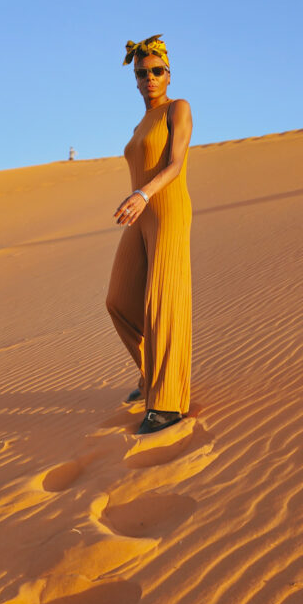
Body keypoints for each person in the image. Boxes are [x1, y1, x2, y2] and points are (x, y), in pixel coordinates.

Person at [106, 34, 193, 434]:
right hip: (141, 214)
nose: (150, 78)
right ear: (136, 80)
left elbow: (175, 164)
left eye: (157, 71)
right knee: (119, 301)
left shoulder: (178, 109)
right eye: (143, 73)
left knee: (163, 301)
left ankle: (168, 403)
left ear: (169, 75)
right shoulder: (142, 121)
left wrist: (143, 193)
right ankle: (150, 374)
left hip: (167, 208)